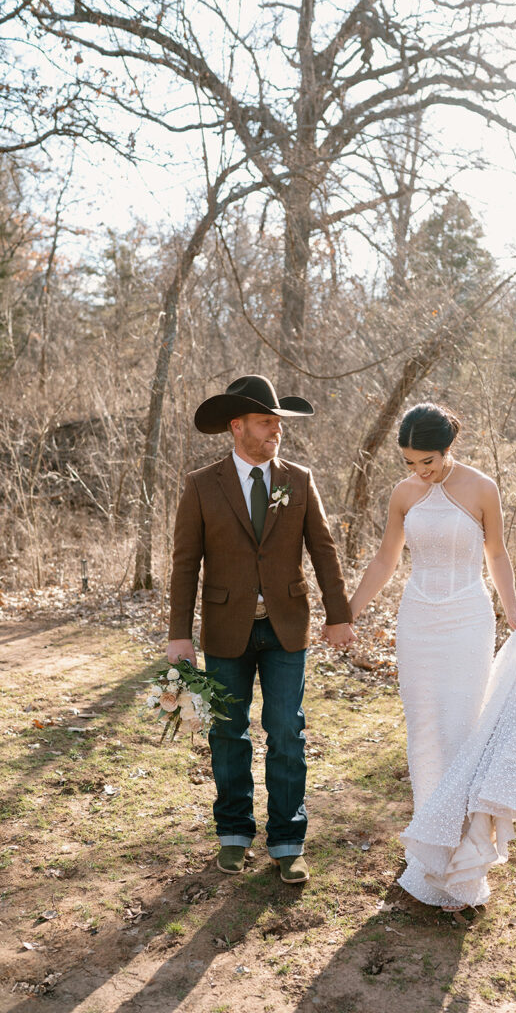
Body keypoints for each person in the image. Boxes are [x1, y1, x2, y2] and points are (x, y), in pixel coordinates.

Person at [350, 402, 516, 910]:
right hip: (418, 621)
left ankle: (466, 859)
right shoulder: (404, 494)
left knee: (461, 726)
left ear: (448, 448)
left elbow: (496, 553)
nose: (418, 471)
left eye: (426, 461)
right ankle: (430, 847)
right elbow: (386, 557)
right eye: (409, 462)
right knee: (426, 729)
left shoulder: (481, 487)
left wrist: (511, 612)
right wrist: (349, 611)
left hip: (468, 619)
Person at [167, 374, 356, 884]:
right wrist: (178, 633)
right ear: (237, 426)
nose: (275, 429)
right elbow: (186, 563)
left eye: (278, 422)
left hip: (286, 627)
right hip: (224, 630)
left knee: (287, 731)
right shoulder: (202, 485)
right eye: (265, 421)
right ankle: (232, 834)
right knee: (228, 731)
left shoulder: (298, 479)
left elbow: (323, 549)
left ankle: (288, 840)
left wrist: (339, 614)